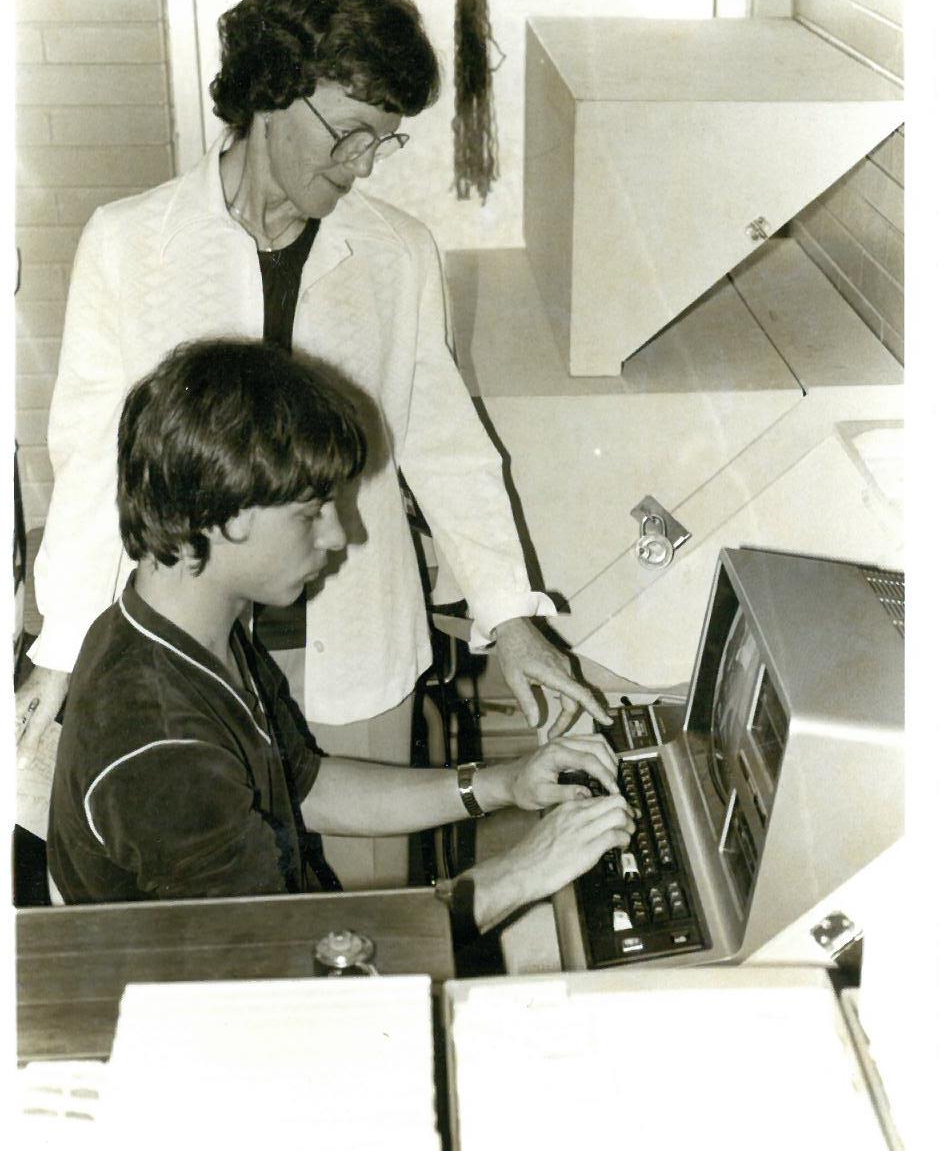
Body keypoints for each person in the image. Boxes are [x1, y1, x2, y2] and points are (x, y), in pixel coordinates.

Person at [19, 0, 611, 886]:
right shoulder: (130, 243)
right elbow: (98, 460)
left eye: (384, 140)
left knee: (374, 907)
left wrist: (514, 619)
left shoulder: (397, 253)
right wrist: (60, 654)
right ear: (270, 96)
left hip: (349, 642)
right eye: (349, 134)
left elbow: (445, 450)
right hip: (193, 629)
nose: (364, 163)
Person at [46, 339, 633, 943]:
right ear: (228, 516)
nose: (339, 534)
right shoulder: (162, 746)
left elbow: (303, 785)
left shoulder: (184, 630)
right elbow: (297, 959)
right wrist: (521, 872)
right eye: (312, 511)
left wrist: (502, 783)